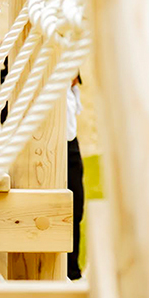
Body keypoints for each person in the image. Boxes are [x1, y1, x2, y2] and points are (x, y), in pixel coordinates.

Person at [66, 73, 84, 281]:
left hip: (69, 142)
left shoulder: (71, 88)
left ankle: (72, 270)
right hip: (44, 144)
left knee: (76, 206)